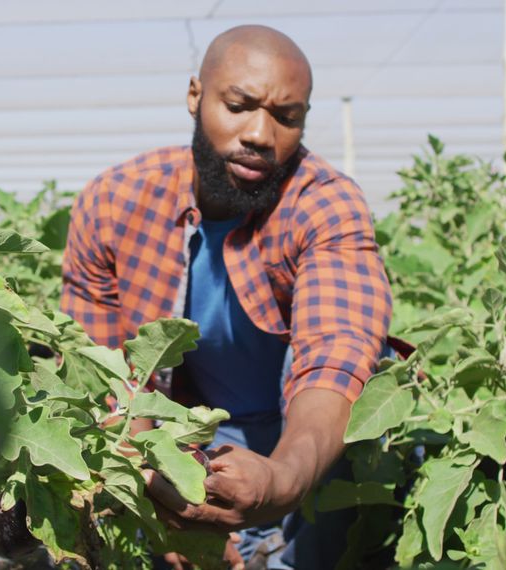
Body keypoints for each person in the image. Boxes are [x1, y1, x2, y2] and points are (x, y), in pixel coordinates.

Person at [60, 25, 392, 569]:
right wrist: (153, 497)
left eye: (287, 117)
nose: (261, 133)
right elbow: (104, 376)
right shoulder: (116, 201)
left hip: (305, 435)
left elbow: (338, 356)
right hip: (191, 428)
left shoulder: (325, 204)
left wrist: (282, 481)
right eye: (239, 105)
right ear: (196, 96)